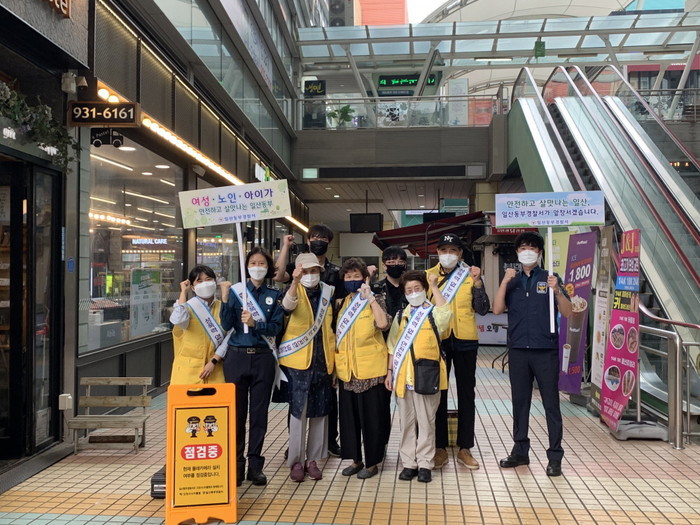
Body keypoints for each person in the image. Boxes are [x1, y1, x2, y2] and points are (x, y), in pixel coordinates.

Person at [492, 232, 571, 477]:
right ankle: (520, 451)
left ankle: (555, 456)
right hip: (518, 350)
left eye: (533, 248)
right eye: (523, 248)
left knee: (551, 404)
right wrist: (504, 282)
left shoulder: (550, 278)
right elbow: (497, 309)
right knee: (520, 402)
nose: (528, 251)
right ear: (517, 253)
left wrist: (557, 291)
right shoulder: (512, 281)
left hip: (545, 350)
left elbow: (568, 312)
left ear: (540, 253)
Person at [213, 247, 284, 487]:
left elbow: (276, 328)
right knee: (237, 414)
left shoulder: (274, 295)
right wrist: (225, 299)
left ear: (268, 267)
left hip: (263, 358)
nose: (257, 267)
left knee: (259, 415)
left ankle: (255, 466)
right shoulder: (236, 292)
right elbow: (226, 324)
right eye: (253, 262)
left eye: (261, 263)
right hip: (236, 358)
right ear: (246, 266)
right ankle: (236, 465)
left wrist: (255, 324)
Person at [274, 224, 344, 456]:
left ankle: (324, 447)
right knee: (297, 406)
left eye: (323, 238)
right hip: (298, 358)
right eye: (314, 237)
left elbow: (338, 312)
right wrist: (285, 248)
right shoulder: (294, 286)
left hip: (323, 354)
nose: (310, 275)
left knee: (324, 405)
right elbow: (282, 290)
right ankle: (294, 452)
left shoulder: (332, 280)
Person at [427, 234, 490, 471]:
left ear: (460, 254)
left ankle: (465, 448)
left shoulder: (470, 275)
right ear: (437, 252)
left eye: (453, 250)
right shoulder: (427, 276)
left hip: (466, 341)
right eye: (444, 250)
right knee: (438, 394)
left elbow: (483, 309)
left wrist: (478, 282)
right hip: (439, 341)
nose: (448, 254)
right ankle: (440, 447)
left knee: (466, 394)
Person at [386, 270, 451, 484]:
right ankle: (408, 463)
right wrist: (389, 372)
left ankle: (425, 464)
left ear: (424, 289)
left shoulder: (432, 313)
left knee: (426, 422)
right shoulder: (400, 316)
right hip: (403, 378)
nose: (413, 293)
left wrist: (434, 287)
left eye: (417, 288)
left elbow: (446, 315)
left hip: (427, 377)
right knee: (406, 423)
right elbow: (392, 346)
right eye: (409, 290)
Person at [279, 253, 336, 482]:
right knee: (298, 413)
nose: (310, 276)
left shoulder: (328, 292)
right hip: (297, 364)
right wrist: (294, 282)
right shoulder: (293, 290)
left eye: (314, 271)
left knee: (320, 413)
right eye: (306, 272)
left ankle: (313, 460)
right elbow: (286, 307)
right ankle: (296, 461)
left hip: (323, 361)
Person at [336, 258, 391, 480]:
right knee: (350, 420)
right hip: (347, 370)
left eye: (356, 276)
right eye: (348, 276)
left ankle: (372, 461)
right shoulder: (343, 303)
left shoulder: (375, 298)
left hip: (370, 370)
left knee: (372, 419)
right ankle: (355, 459)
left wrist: (370, 299)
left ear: (365, 278)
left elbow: (383, 324)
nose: (351, 280)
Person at [169, 265, 227, 385]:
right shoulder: (186, 307)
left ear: (215, 282)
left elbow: (229, 337)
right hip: (187, 373)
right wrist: (183, 293)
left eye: (208, 279)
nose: (205, 284)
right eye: (199, 281)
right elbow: (179, 320)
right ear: (193, 287)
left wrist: (214, 361)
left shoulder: (223, 307)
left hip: (216, 371)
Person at [371, 245, 409, 322]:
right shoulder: (376, 289)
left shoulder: (411, 287)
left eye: (401, 262)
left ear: (405, 264)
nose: (396, 265)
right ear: (384, 266)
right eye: (391, 262)